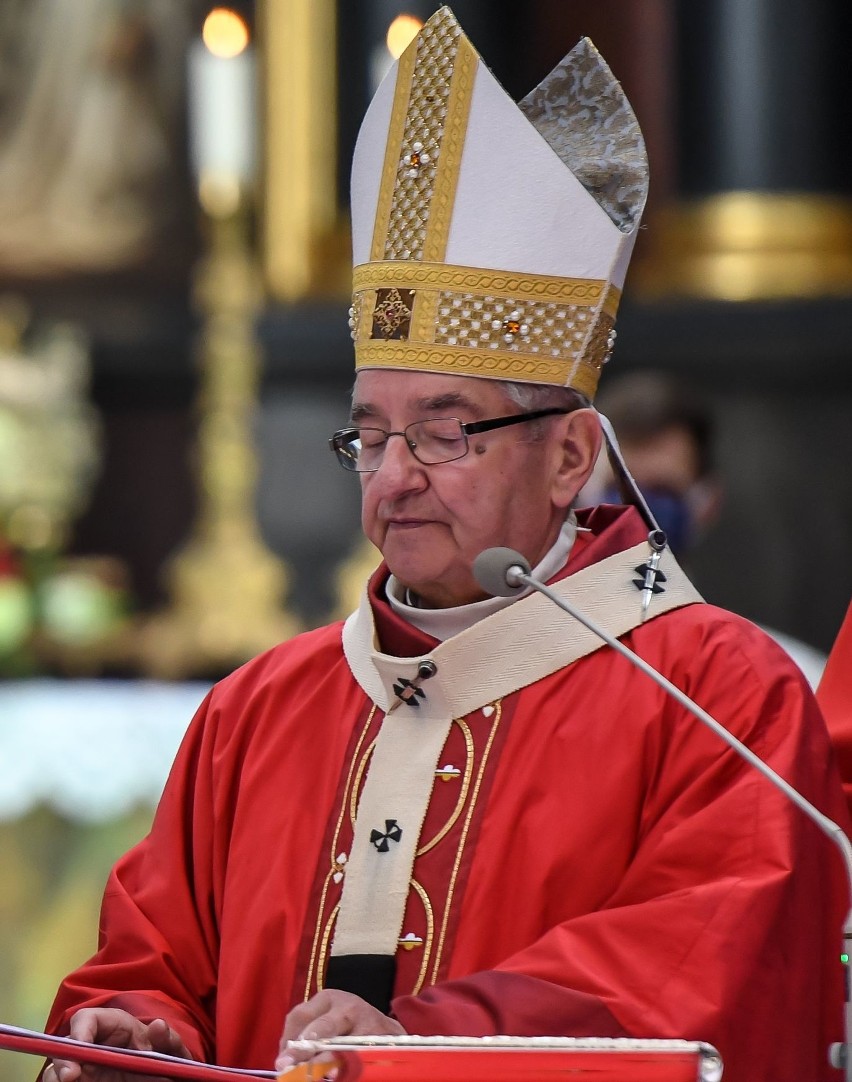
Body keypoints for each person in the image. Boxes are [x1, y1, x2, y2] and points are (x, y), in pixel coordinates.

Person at [40, 10, 849, 1082]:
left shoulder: (716, 691)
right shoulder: (258, 710)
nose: (393, 472)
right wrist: (132, 1033)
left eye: (444, 430)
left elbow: (707, 968)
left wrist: (429, 1041)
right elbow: (149, 965)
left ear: (569, 456)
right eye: (369, 433)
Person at [587, 369, 828, 687]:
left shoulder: (780, 677)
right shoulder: (538, 663)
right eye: (619, 486)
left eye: (661, 490)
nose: (636, 509)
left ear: (708, 502)